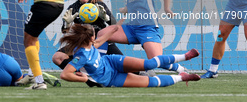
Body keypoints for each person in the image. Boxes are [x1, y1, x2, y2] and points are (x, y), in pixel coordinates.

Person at [97, 0, 186, 73]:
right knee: (102, 34)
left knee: (156, 60)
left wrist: (167, 8)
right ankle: (97, 67)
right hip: (131, 28)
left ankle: (180, 69)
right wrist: (124, 10)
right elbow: (133, 6)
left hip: (147, 28)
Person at [60, 23, 201, 87]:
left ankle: (185, 56)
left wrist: (114, 28)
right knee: (151, 83)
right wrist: (84, 79)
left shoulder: (90, 44)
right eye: (94, 36)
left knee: (150, 63)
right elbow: (65, 74)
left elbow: (100, 40)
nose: (96, 39)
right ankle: (181, 78)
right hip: (110, 79)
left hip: (111, 61)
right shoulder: (81, 56)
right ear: (90, 38)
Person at [51, 0, 124, 87]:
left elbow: (114, 25)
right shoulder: (73, 8)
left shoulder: (98, 4)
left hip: (101, 42)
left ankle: (142, 74)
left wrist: (106, 18)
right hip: (82, 44)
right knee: (57, 57)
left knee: (122, 64)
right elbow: (65, 31)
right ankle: (90, 80)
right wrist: (67, 23)